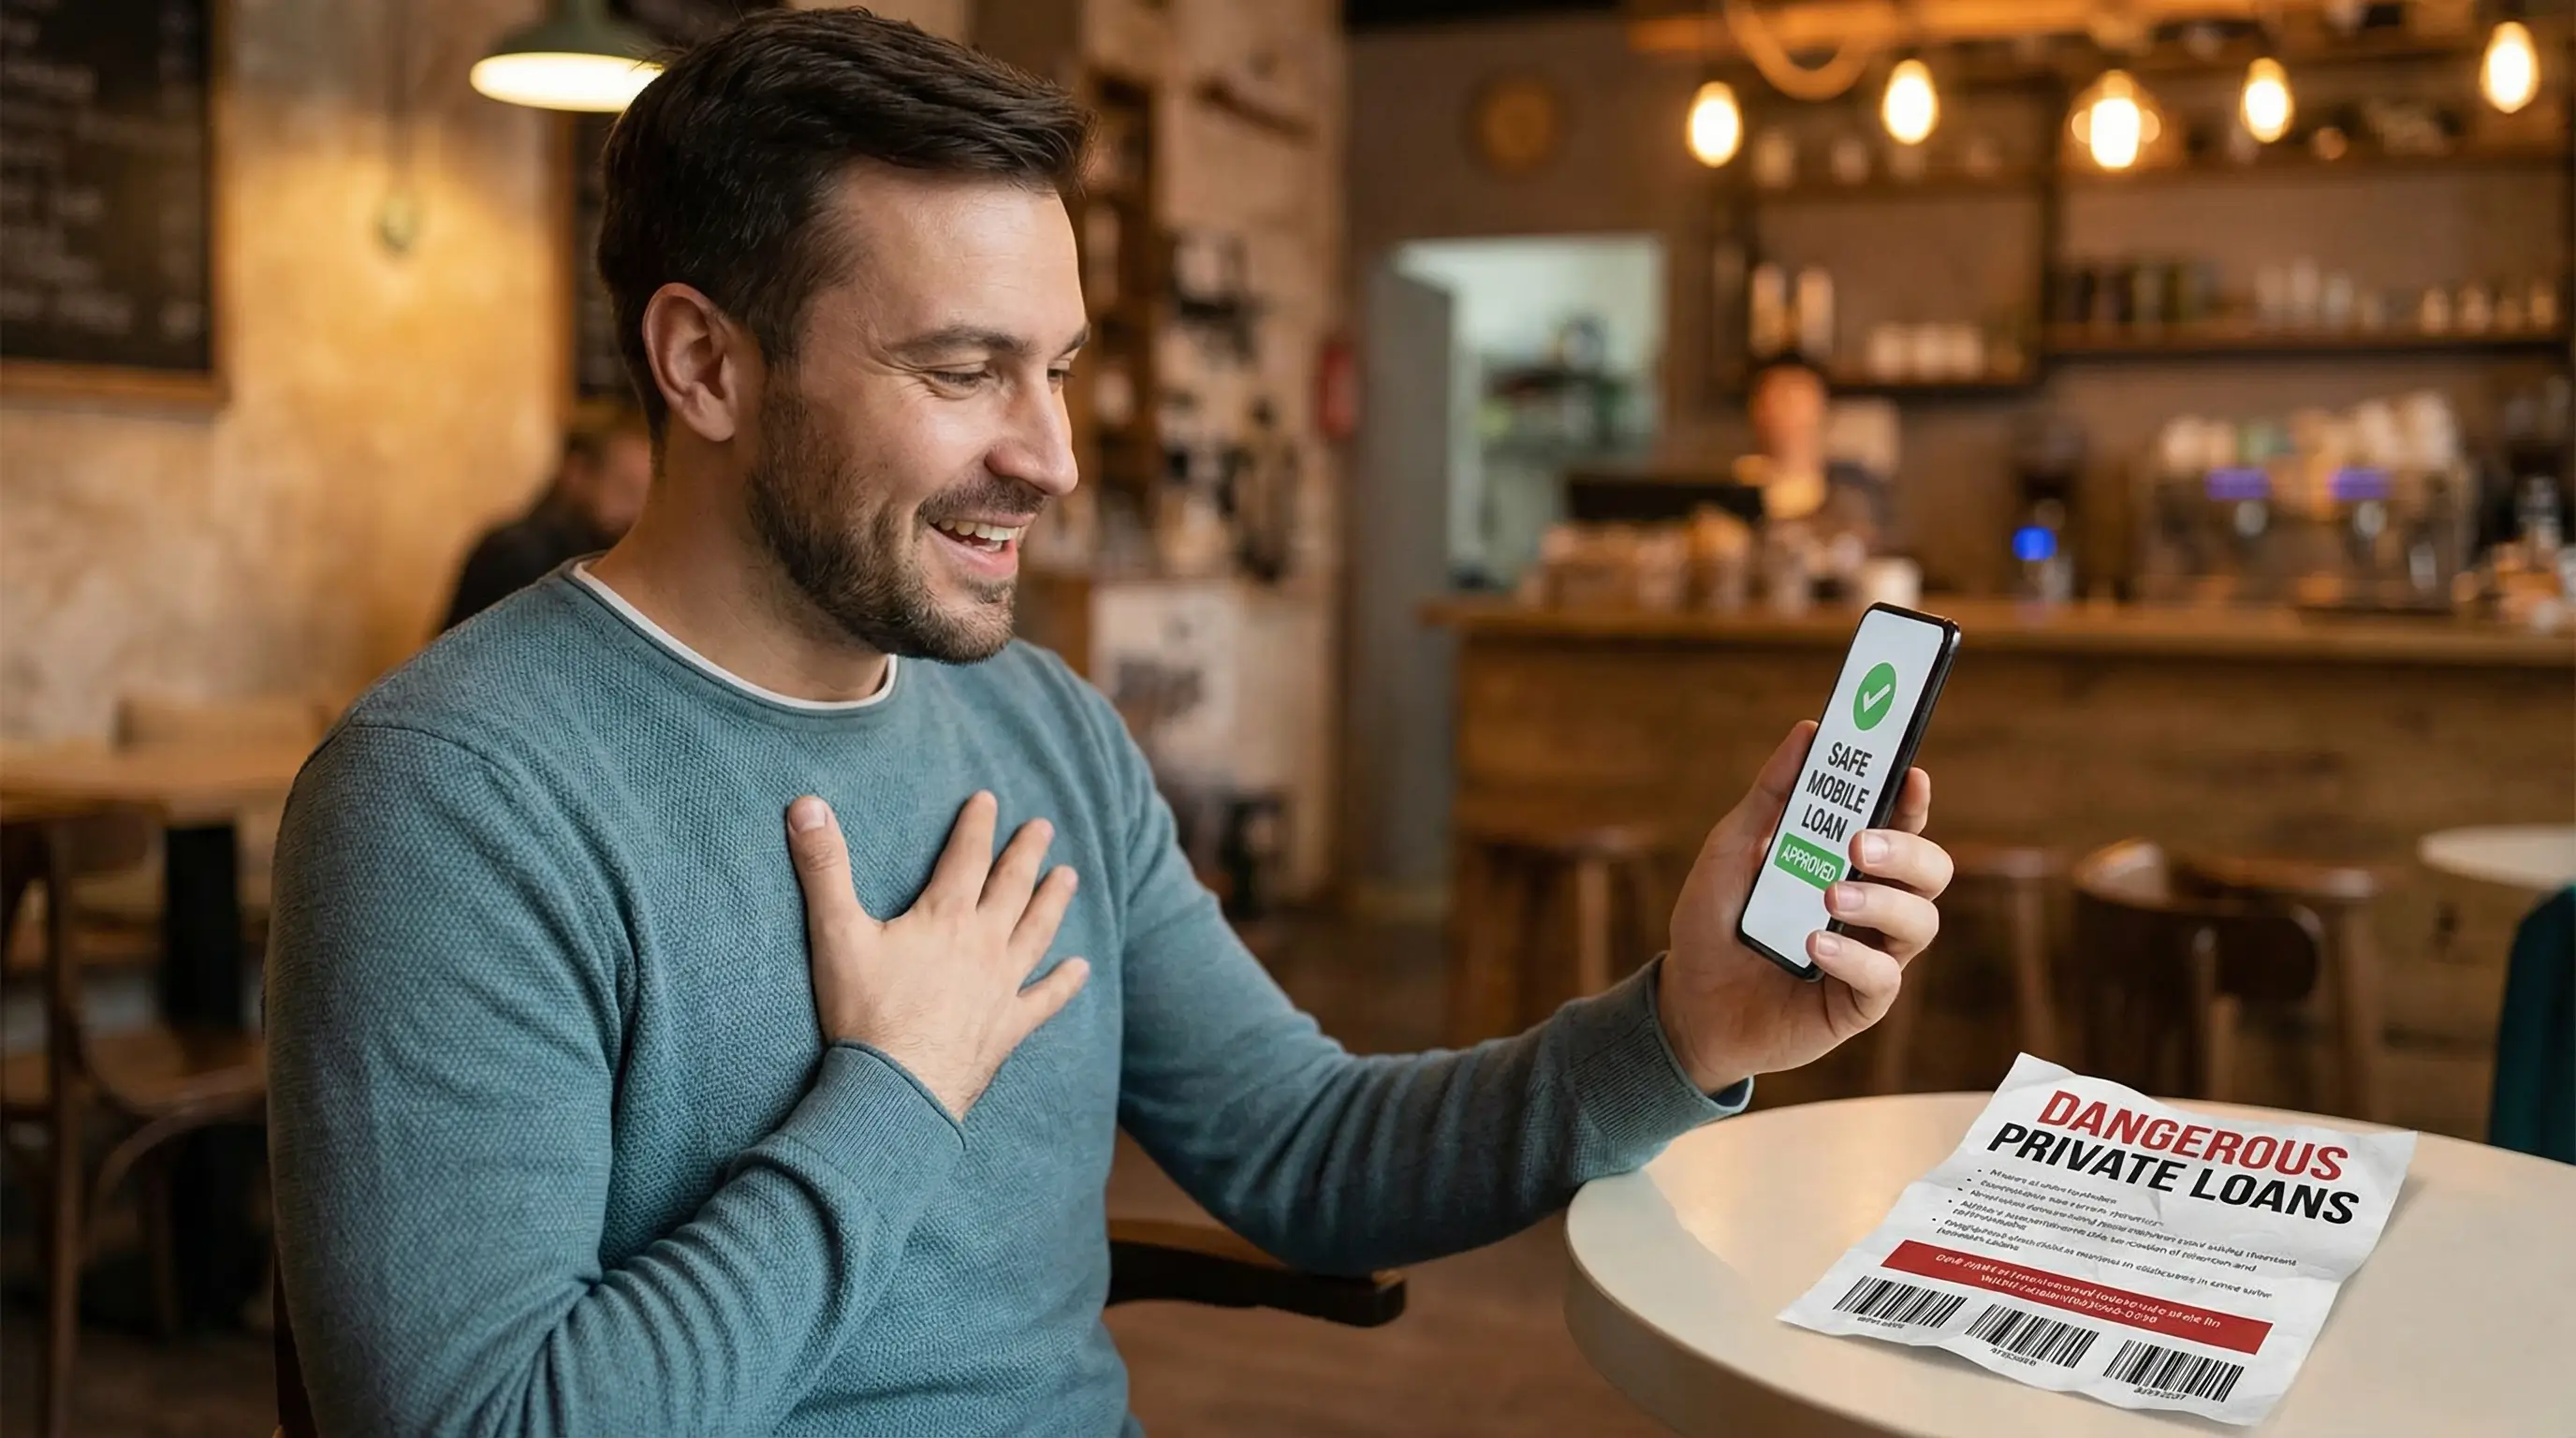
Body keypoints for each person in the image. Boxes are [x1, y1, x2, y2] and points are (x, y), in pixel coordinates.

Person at [266, 14, 1954, 1436]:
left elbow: (1301, 1144)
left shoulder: (1038, 726)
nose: (1051, 456)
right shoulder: (450, 802)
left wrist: (1678, 1031)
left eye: (1059, 369)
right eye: (959, 370)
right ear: (704, 364)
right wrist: (894, 1090)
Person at [438, 408, 654, 629]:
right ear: (576, 472)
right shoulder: (516, 554)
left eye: (647, 497)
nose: (637, 513)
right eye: (625, 491)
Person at [1733, 351, 1887, 545]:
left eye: (1797, 396)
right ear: (1755, 409)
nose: (1787, 410)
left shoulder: (1860, 494)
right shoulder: (1731, 491)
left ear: (1825, 407)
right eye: (1775, 396)